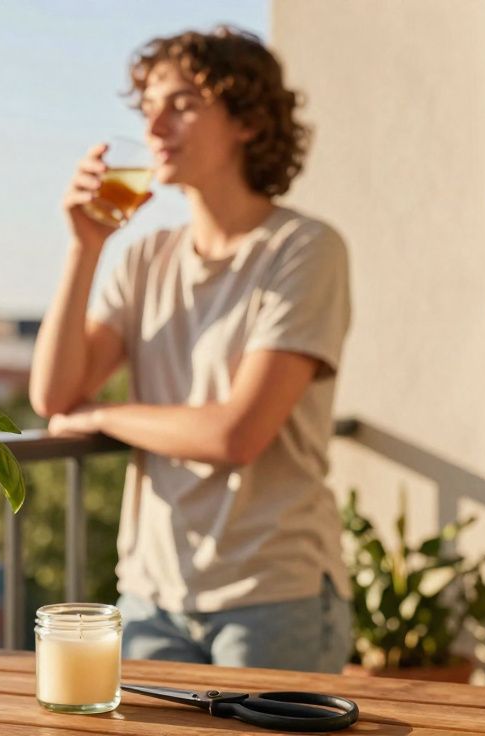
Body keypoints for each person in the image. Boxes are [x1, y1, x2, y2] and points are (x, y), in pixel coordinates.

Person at [28, 26, 353, 673]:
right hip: (151, 596)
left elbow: (237, 433)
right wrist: (85, 248)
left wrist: (103, 417)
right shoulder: (144, 258)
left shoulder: (304, 250)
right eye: (148, 106)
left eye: (181, 103)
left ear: (250, 121)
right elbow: (54, 394)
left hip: (272, 598)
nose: (155, 124)